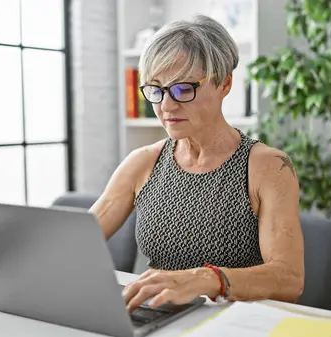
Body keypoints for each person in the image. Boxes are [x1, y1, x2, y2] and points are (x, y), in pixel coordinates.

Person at [89, 14, 304, 312]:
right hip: (162, 318)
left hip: (238, 322)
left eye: (183, 88)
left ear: (224, 84)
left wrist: (206, 279)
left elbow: (288, 280)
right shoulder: (142, 163)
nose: (166, 106)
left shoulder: (268, 167)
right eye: (156, 89)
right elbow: (78, 239)